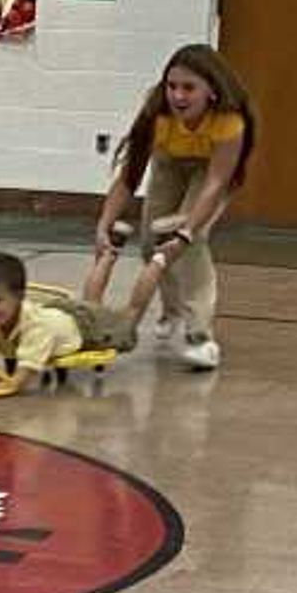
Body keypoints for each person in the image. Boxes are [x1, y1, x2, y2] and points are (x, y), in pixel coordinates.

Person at [86, 45, 255, 372]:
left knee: (187, 243)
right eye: (172, 86)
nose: (178, 95)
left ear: (211, 91)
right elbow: (128, 178)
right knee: (153, 241)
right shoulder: (157, 115)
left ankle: (200, 335)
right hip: (170, 162)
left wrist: (188, 230)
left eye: (189, 88)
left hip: (210, 173)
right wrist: (104, 223)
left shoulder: (229, 123)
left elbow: (216, 184)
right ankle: (172, 311)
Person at [0, 251, 126, 398]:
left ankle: (118, 256)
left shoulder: (37, 329)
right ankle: (108, 257)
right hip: (52, 312)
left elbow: (17, 383)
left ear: (19, 297)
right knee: (90, 300)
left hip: (86, 327)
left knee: (125, 327)